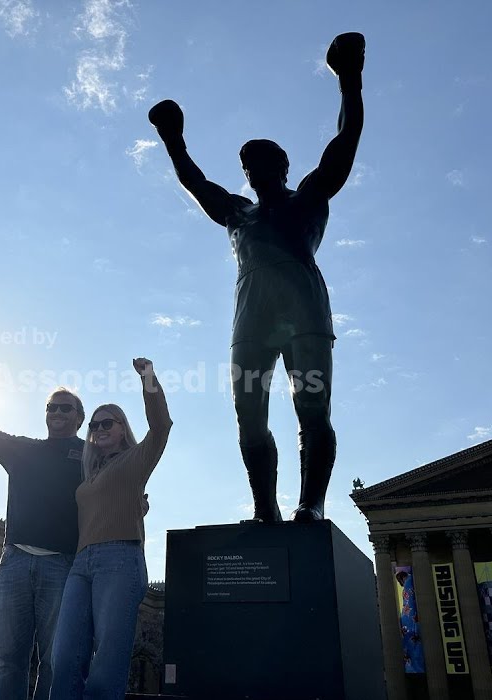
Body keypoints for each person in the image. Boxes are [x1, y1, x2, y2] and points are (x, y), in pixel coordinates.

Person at [148, 32, 365, 523]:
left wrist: (349, 80)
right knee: (250, 420)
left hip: (304, 314)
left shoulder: (309, 196)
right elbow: (196, 183)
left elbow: (345, 141)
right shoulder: (237, 214)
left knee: (312, 412)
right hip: (251, 321)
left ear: (284, 166)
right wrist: (173, 139)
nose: (251, 168)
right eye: (246, 163)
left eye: (262, 160)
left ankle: (310, 503)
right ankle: (265, 508)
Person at [47, 357, 172, 700]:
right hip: (80, 566)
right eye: (94, 424)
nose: (99, 428)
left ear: (121, 428)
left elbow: (161, 425)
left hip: (120, 562)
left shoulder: (136, 459)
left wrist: (148, 379)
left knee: (107, 666)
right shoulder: (87, 475)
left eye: (107, 422)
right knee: (64, 659)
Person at [0, 378, 87, 700]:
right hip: (14, 562)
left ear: (79, 417)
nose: (57, 412)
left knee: (54, 660)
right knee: (9, 659)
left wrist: (136, 502)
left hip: (61, 566)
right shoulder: (24, 450)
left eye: (65, 407)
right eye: (51, 407)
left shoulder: (90, 455)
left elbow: (119, 480)